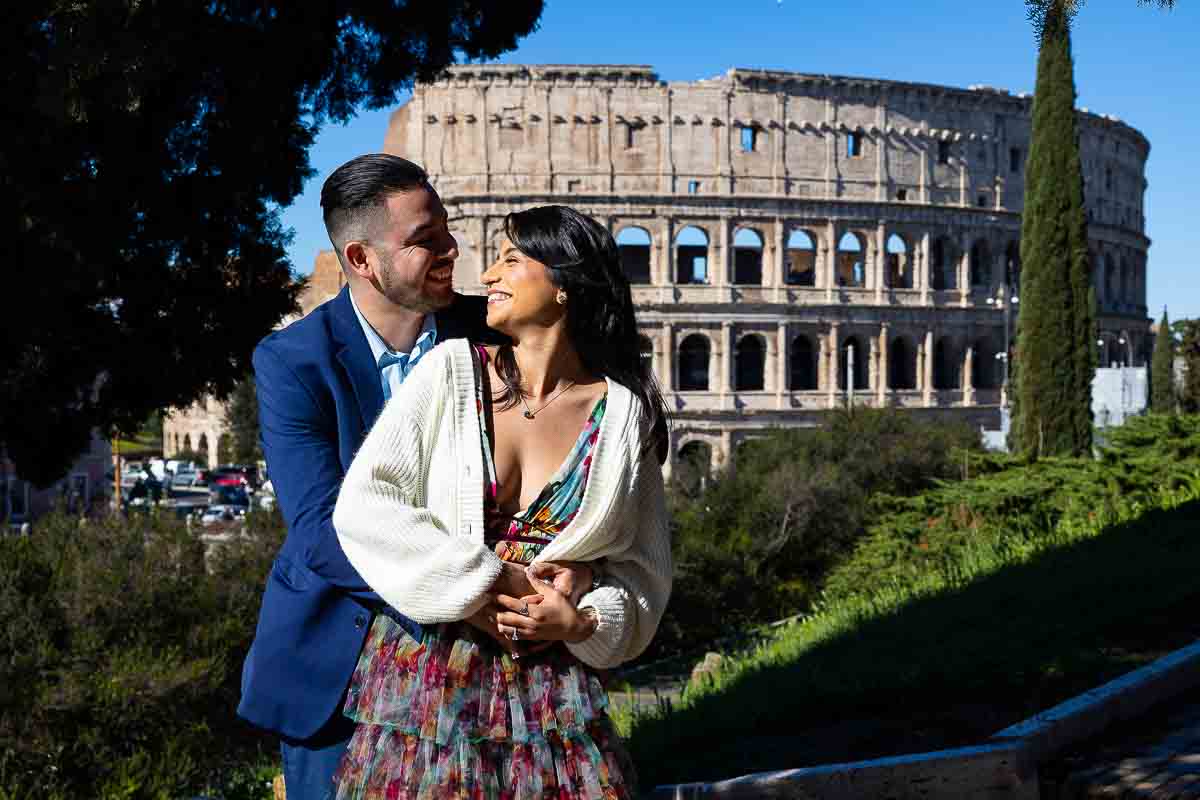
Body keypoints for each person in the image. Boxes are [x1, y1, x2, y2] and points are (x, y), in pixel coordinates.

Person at [237, 155, 589, 800]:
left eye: (446, 229)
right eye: (425, 240)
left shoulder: (495, 334)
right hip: (339, 658)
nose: (451, 248)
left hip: (487, 664)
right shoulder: (293, 361)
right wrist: (477, 593)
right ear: (362, 259)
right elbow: (320, 529)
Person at [330, 205, 673, 800]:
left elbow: (644, 568)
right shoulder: (450, 373)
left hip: (550, 690)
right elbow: (365, 504)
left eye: (511, 260)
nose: (487, 274)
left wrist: (583, 620)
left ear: (566, 285)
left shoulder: (621, 414)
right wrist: (485, 581)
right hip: (428, 680)